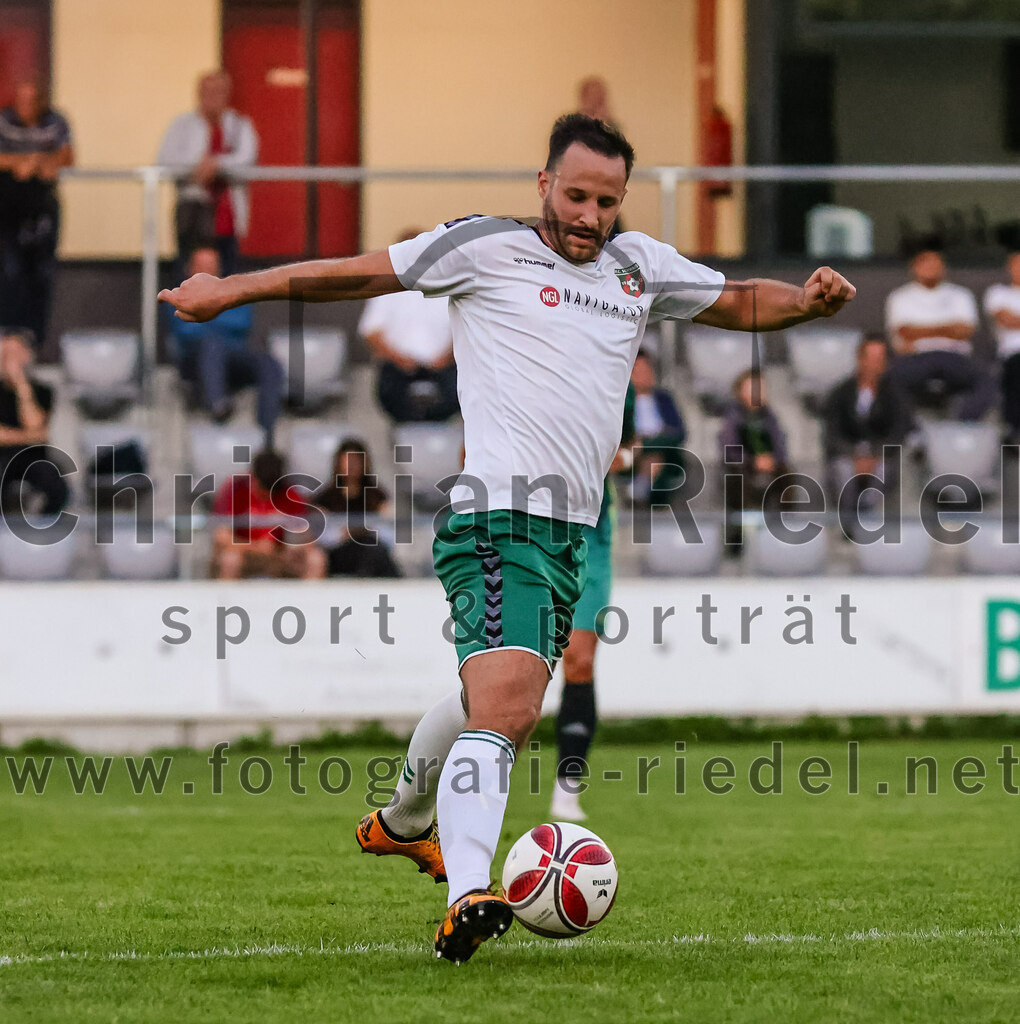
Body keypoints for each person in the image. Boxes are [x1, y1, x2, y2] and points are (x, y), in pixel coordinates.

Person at [160, 113, 856, 963]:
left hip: (570, 534)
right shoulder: (481, 247)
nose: (589, 216)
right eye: (575, 195)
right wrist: (233, 288)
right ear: (542, 184)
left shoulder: (638, 267)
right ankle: (467, 895)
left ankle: (404, 820)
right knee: (513, 708)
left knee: (489, 700)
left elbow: (741, 300)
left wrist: (809, 304)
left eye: (606, 201)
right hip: (497, 518)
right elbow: (356, 277)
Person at [550, 386, 634, 822]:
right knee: (514, 673)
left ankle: (567, 789)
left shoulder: (617, 379)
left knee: (578, 661)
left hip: (590, 539)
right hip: (530, 529)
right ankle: (486, 785)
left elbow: (628, 451)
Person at [169, 246, 283, 443]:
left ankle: (266, 430)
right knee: (212, 344)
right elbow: (185, 331)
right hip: (194, 361)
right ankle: (217, 405)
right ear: (189, 269)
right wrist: (218, 317)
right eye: (201, 266)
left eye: (212, 266)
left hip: (233, 357)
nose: (207, 271)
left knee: (269, 363)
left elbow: (243, 323)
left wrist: (205, 316)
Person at [157, 71, 258, 275]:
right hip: (191, 212)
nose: (212, 97)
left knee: (228, 277)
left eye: (218, 91)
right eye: (207, 91)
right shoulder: (182, 125)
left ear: (227, 94)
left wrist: (218, 165)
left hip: (226, 215)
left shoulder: (240, 125)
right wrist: (196, 166)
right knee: (188, 273)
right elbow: (164, 160)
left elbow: (247, 158)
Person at [0, 79, 74, 353]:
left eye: (31, 101)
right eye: (21, 100)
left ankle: (32, 338)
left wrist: (39, 163)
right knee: (9, 270)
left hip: (42, 207)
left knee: (42, 273)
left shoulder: (55, 121)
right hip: (7, 208)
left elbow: (67, 156)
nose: (26, 107)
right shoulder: (4, 121)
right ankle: (9, 334)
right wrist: (19, 162)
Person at [358, 232, 459, 423]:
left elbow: (463, 331)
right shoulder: (385, 287)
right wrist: (399, 359)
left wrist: (445, 358)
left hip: (442, 368)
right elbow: (371, 333)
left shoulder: (449, 287)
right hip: (399, 369)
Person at [884, 245, 993, 421]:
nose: (931, 269)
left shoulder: (960, 294)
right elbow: (904, 332)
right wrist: (948, 329)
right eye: (926, 264)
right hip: (916, 358)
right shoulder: (899, 297)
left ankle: (961, 426)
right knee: (889, 382)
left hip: (954, 357)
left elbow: (965, 331)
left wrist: (921, 330)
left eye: (936, 264)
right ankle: (910, 431)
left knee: (986, 380)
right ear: (915, 268)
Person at [823, 335, 910, 525]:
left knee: (883, 471)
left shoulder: (895, 396)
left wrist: (875, 455)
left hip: (880, 457)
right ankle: (847, 525)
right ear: (860, 359)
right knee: (843, 471)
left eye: (878, 359)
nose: (873, 365)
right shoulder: (840, 394)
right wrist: (854, 455)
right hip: (846, 455)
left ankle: (868, 518)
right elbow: (832, 433)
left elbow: (898, 431)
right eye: (869, 358)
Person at [210, 447, 325, 580]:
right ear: (253, 477)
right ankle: (226, 600)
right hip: (247, 555)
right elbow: (222, 537)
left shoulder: (291, 494)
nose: (267, 495)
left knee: (315, 559)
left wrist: (292, 548)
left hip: (280, 555)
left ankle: (309, 600)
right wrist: (255, 547)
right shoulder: (234, 491)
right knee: (230, 560)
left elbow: (307, 537)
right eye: (263, 489)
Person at [720, 369, 790, 550]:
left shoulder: (770, 417)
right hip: (742, 467)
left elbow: (780, 447)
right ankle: (739, 537)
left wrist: (771, 460)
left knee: (787, 475)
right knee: (738, 477)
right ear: (740, 392)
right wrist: (753, 461)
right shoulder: (733, 417)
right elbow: (730, 450)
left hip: (769, 465)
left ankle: (783, 528)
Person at [0, 330, 68, 517]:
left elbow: (36, 426)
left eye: (14, 354)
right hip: (3, 458)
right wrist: (30, 437)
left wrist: (21, 384)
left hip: (33, 458)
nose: (8, 359)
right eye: (5, 354)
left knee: (56, 485)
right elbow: (34, 435)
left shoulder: (42, 391)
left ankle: (44, 531)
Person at [312, 439, 401, 578]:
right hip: (339, 552)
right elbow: (321, 536)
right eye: (347, 460)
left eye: (356, 460)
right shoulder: (326, 497)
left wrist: (366, 529)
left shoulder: (376, 496)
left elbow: (389, 534)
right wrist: (345, 534)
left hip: (370, 549)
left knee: (373, 549)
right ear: (338, 463)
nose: (352, 465)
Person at [629, 349, 686, 506]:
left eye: (648, 369)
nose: (645, 375)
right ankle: (651, 497)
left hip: (662, 443)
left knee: (658, 452)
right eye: (639, 371)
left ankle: (641, 490)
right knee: (652, 455)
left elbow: (680, 431)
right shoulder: (623, 401)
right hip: (635, 447)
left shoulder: (664, 399)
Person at [983, 251, 1020, 442]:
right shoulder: (998, 292)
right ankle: (1015, 431)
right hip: (1012, 355)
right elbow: (1005, 320)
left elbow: (1013, 320)